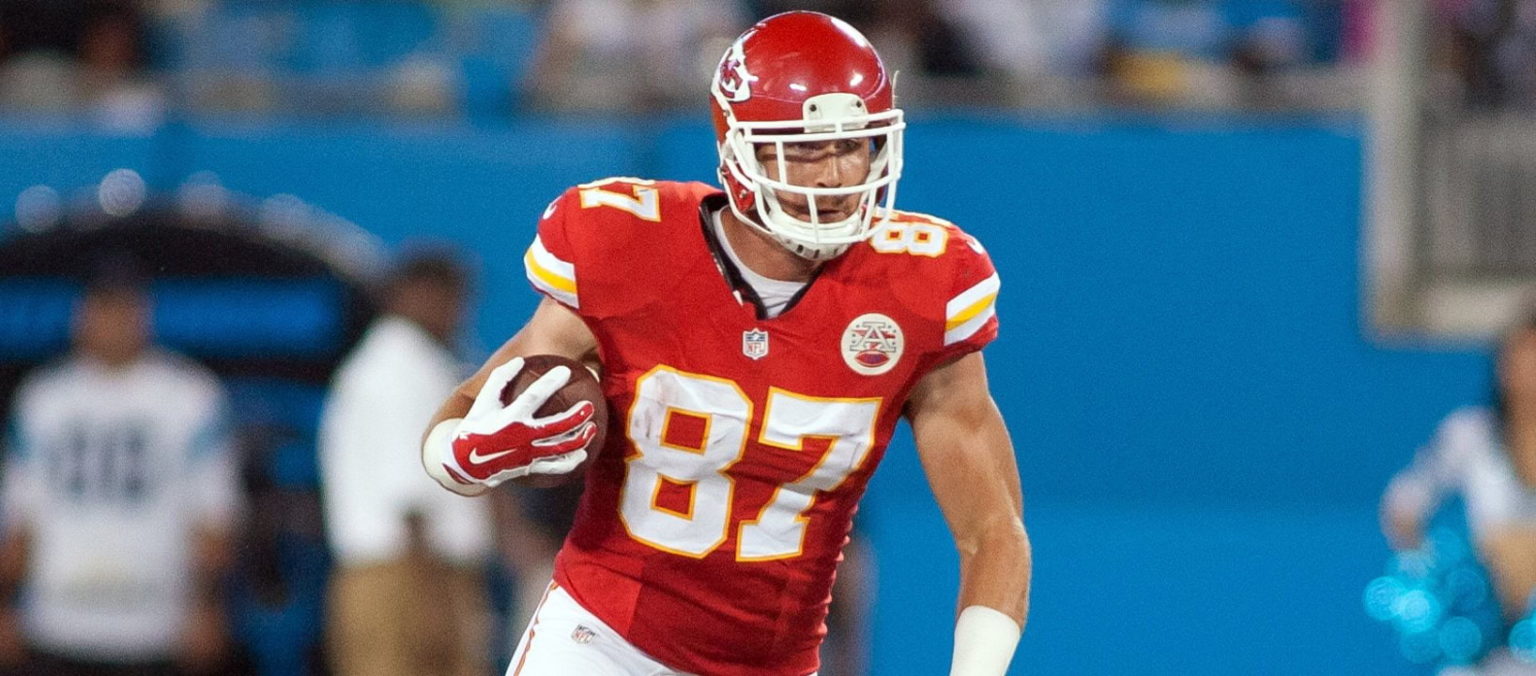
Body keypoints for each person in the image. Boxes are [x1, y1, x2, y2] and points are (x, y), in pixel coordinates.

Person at [420, 11, 1031, 675]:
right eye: (804, 148)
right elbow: (466, 406)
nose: (833, 176)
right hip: (604, 640)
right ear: (740, 149)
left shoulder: (922, 286)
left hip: (773, 661)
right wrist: (462, 457)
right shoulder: (630, 246)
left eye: (853, 145)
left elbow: (994, 533)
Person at [0, 262, 240, 676]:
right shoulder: (44, 399)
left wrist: (208, 606)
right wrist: (5, 606)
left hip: (154, 624)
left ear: (144, 313)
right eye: (102, 307)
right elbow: (21, 518)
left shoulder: (189, 396)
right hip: (59, 622)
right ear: (81, 314)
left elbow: (212, 516)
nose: (113, 322)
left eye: (125, 308)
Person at [318, 249, 494, 676]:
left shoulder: (424, 361)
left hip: (417, 566)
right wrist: (429, 596)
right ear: (409, 294)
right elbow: (409, 494)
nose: (458, 311)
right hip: (404, 570)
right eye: (449, 296)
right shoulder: (394, 367)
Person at [1382, 308, 1536, 672]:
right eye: (1520, 357)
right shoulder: (1471, 434)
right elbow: (1403, 503)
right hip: (1484, 638)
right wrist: (1442, 577)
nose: (1529, 372)